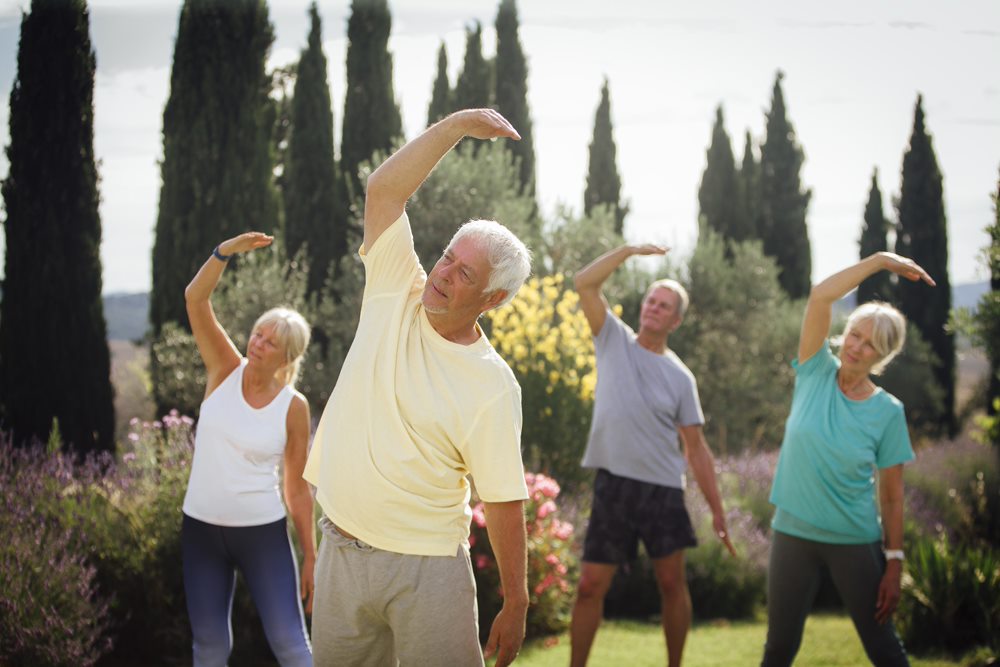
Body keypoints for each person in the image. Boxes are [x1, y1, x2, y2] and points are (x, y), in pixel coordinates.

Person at [303, 108, 532, 667]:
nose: (443, 275)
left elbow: (502, 498)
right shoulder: (393, 290)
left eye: (465, 275)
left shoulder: (491, 384)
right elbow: (384, 190)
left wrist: (518, 599)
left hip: (427, 570)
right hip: (340, 547)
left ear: (493, 299)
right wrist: (456, 127)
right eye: (447, 258)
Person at [760, 252, 935, 667]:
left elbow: (892, 498)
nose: (857, 347)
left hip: (854, 541)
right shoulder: (814, 370)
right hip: (792, 532)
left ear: (883, 356)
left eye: (871, 343)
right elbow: (820, 296)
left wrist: (894, 563)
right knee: (778, 649)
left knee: (884, 650)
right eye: (855, 334)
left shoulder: (888, 412)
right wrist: (879, 261)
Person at [569, 244, 735, 667]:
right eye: (650, 301)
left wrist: (717, 511)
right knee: (589, 586)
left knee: (671, 583)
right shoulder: (612, 337)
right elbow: (584, 283)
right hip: (614, 484)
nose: (653, 309)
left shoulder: (681, 378)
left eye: (664, 306)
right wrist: (625, 252)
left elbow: (696, 449)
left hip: (662, 490)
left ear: (675, 320)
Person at [181, 232, 315, 667]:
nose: (256, 345)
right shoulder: (223, 367)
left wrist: (310, 554)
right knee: (210, 647)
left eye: (269, 342)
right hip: (200, 530)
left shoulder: (293, 408)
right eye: (257, 334)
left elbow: (296, 489)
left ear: (286, 357)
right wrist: (223, 252)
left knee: (291, 644)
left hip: (262, 535)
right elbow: (195, 300)